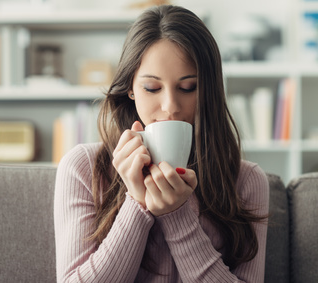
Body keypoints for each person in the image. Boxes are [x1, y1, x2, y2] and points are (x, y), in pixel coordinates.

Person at [54, 5, 269, 283]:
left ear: (208, 90)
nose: (170, 107)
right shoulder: (83, 168)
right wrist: (137, 202)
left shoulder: (247, 180)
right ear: (130, 87)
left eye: (188, 87)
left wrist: (176, 214)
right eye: (152, 88)